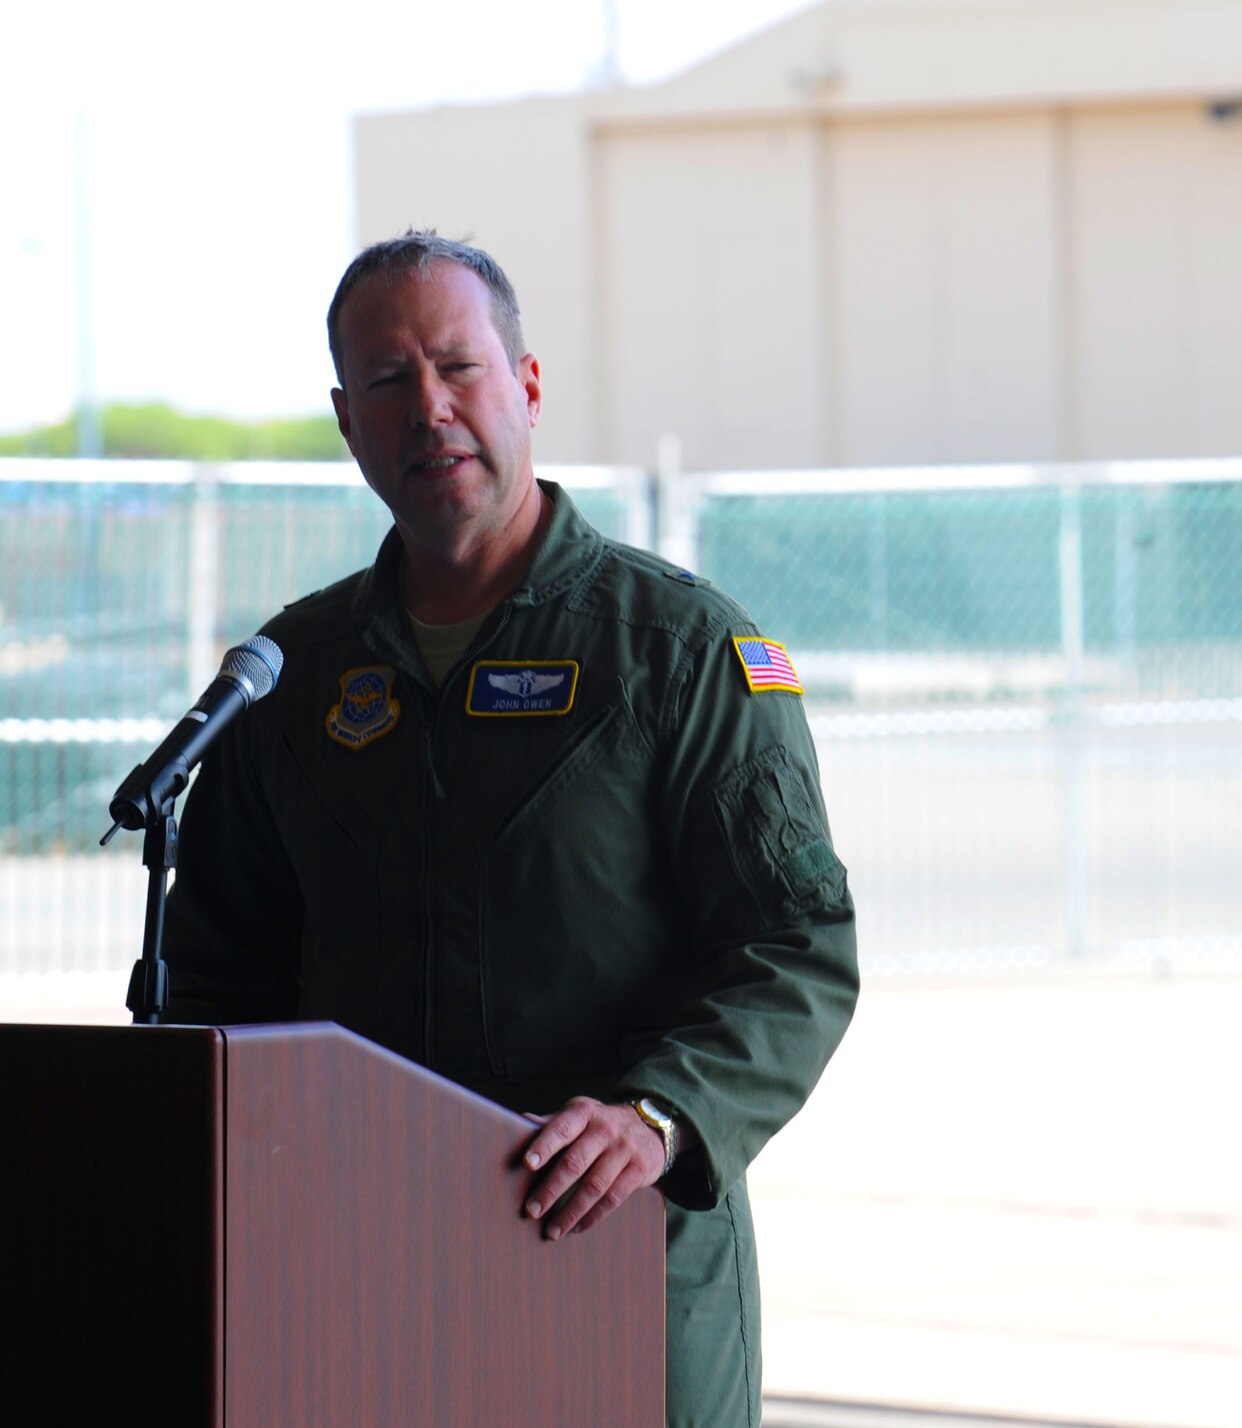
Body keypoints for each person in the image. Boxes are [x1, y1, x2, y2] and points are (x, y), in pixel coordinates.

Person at [160, 230, 859, 1427]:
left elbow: (796, 949)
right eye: (388, 382)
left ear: (525, 386)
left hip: (619, 1268)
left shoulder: (674, 652)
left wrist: (658, 1115)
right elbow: (218, 977)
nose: (428, 409)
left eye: (457, 367)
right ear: (347, 422)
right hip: (363, 1280)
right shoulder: (295, 679)